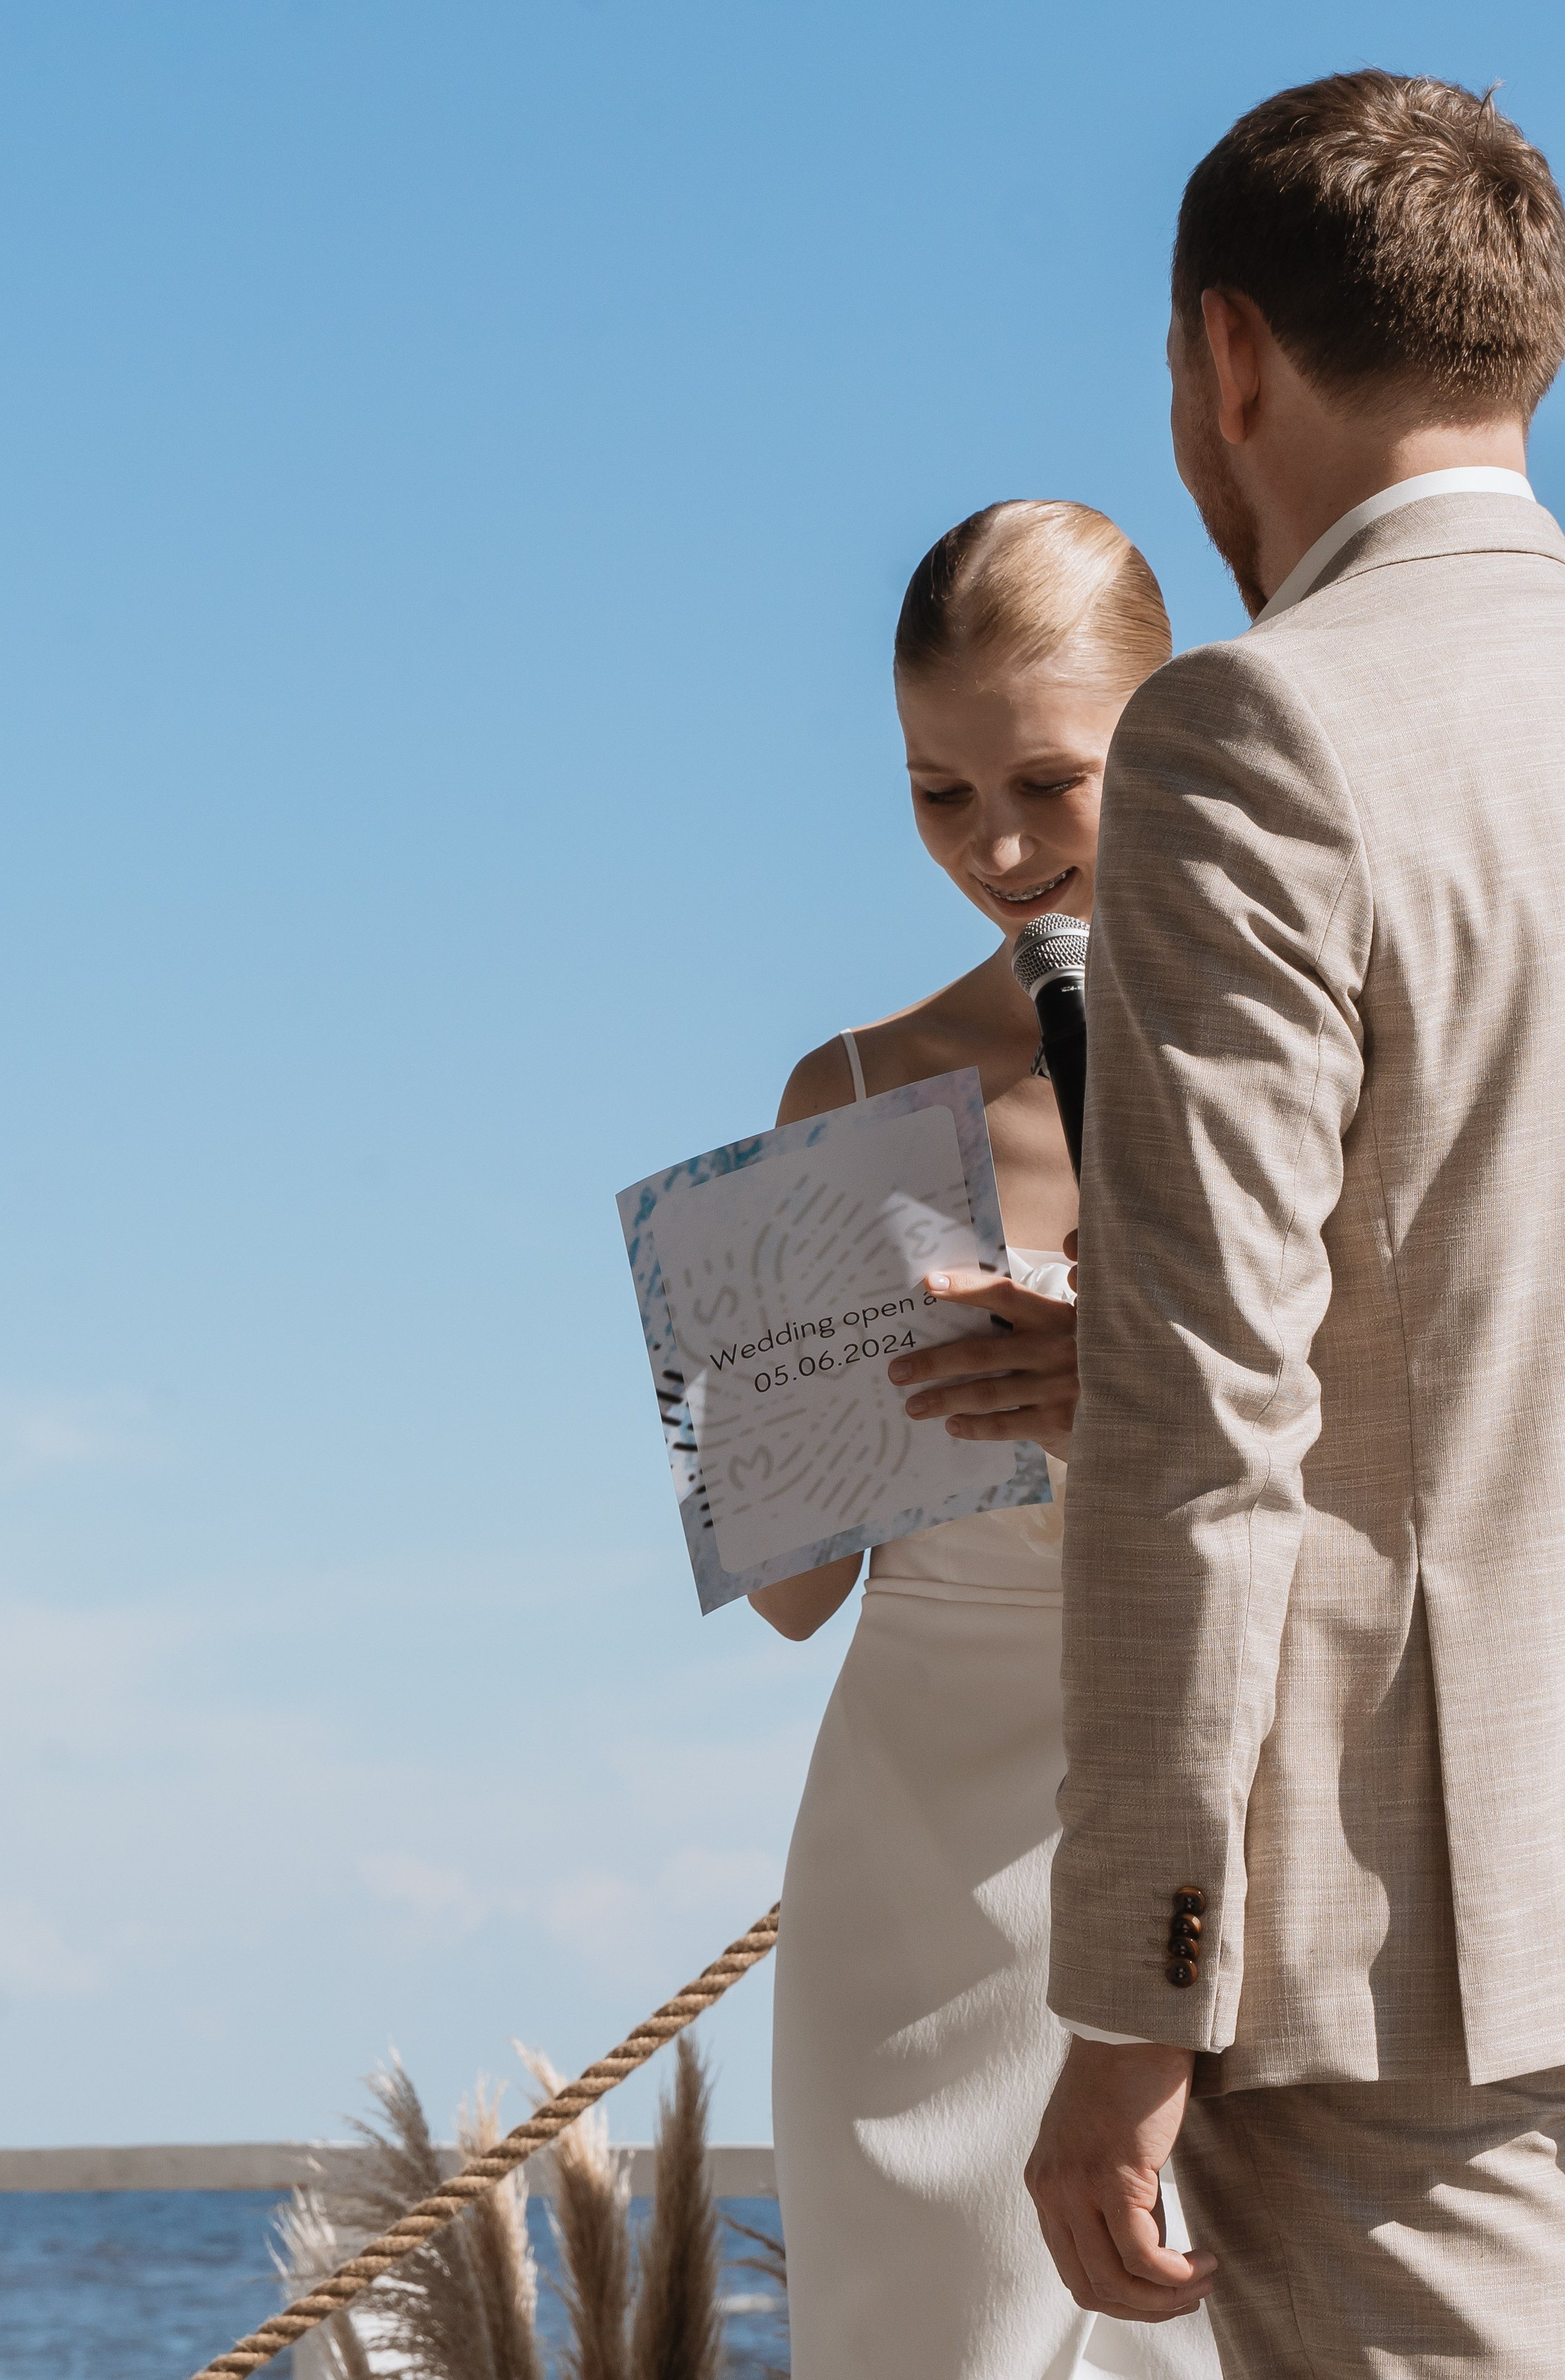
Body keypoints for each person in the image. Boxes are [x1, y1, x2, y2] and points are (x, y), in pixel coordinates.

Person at [1000, 69, 1565, 2378]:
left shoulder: (1259, 729)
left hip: (1401, 1964)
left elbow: (1204, 1411)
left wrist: (1136, 1991)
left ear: (1226, 359)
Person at [760, 500, 1219, 2380]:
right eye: (941, 796)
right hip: (918, 1888)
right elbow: (795, 1591)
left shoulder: (1318, 1043)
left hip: (1228, 1840)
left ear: (1177, 728)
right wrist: (780, 1398)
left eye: (1046, 779)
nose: (1001, 849)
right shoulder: (851, 1093)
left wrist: (1146, 1371)